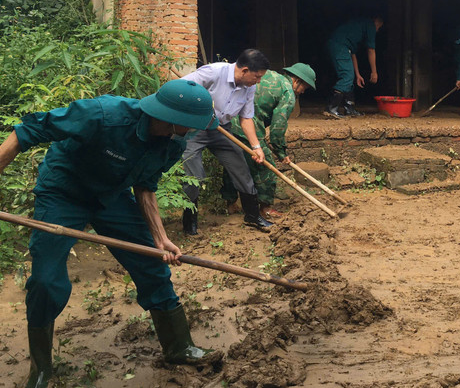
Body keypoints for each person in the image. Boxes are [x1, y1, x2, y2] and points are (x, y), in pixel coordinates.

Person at [0, 80, 222, 388]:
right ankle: (40, 368)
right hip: (64, 192)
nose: (195, 130)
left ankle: (178, 346)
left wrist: (159, 237)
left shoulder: (173, 142)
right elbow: (27, 131)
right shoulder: (104, 114)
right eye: (192, 124)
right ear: (172, 119)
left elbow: (146, 185)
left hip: (113, 197)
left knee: (152, 266)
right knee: (46, 280)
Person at [180, 49, 273, 235]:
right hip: (193, 130)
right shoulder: (214, 72)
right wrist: (199, 107)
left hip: (222, 130)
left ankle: (252, 216)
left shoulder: (249, 86)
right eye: (257, 76)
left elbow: (246, 119)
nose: (259, 81)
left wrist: (256, 147)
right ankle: (189, 220)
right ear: (244, 70)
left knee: (240, 166)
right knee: (194, 177)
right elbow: (180, 89)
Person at [220, 63, 317, 218]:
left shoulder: (270, 76)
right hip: (248, 126)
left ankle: (229, 204)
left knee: (234, 161)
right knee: (266, 166)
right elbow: (278, 127)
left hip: (228, 120)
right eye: (304, 87)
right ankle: (265, 208)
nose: (303, 91)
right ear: (297, 80)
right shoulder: (288, 93)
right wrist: (280, 152)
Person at [325, 16, 384, 118]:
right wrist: (374, 72)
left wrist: (357, 75)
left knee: (349, 76)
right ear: (377, 21)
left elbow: (353, 55)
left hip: (339, 45)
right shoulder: (370, 25)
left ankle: (349, 109)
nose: (377, 30)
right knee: (346, 76)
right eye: (379, 27)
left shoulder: (357, 29)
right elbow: (371, 50)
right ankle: (331, 108)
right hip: (339, 46)